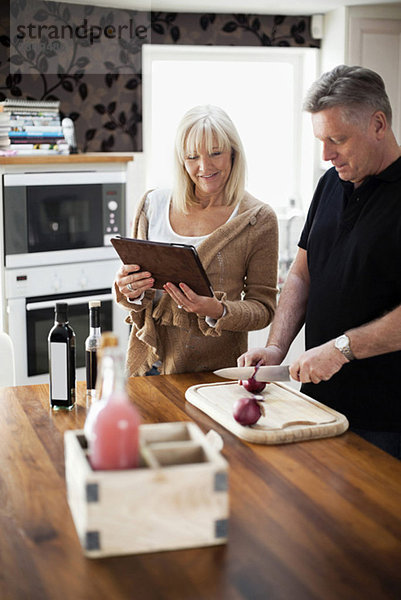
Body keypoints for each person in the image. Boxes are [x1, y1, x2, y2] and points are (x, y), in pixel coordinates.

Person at [239, 65, 401, 459]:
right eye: (320, 140)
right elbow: (301, 275)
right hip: (317, 407)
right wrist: (277, 346)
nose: (326, 155)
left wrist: (341, 349)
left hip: (386, 422)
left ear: (378, 124)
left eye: (338, 139)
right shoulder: (330, 182)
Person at [114, 104, 278, 376]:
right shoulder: (151, 205)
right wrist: (127, 287)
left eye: (216, 153)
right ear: (181, 160)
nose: (204, 167)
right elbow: (136, 294)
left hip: (213, 375)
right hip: (147, 369)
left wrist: (218, 309)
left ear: (233, 153)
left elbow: (263, 309)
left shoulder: (257, 219)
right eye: (192, 157)